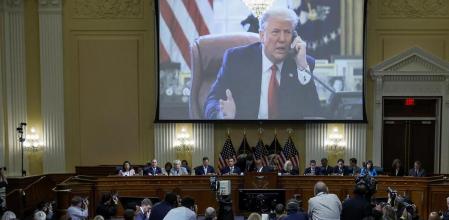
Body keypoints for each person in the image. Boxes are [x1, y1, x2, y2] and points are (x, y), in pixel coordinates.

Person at [203, 7, 321, 120]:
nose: (282, 39)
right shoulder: (237, 60)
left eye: (287, 32)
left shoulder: (301, 63)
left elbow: (314, 114)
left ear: (294, 37)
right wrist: (221, 114)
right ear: (262, 35)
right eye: (275, 32)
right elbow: (212, 100)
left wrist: (302, 66)